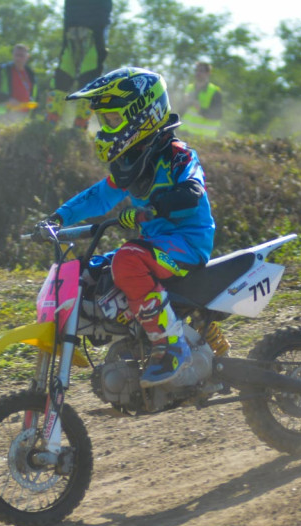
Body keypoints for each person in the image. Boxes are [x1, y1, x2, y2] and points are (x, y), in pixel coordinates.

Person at [38, 67, 216, 387]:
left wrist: (152, 208)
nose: (104, 128)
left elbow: (193, 191)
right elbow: (99, 196)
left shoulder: (178, 156)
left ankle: (170, 346)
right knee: (89, 271)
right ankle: (129, 343)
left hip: (188, 243)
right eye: (103, 121)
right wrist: (58, 217)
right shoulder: (131, 162)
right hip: (155, 245)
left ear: (141, 115)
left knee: (127, 259)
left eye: (110, 120)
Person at [45, 0, 113, 129]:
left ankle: (78, 122)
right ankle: (55, 119)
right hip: (82, 22)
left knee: (86, 73)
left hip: (87, 23)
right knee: (68, 71)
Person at [0, 44, 37, 121]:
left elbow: (34, 95)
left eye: (21, 55)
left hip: (24, 117)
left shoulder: (31, 74)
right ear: (12, 55)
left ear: (27, 57)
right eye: (16, 55)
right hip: (2, 116)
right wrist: (7, 99)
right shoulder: (3, 70)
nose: (18, 58)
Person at [179, 61, 222, 138]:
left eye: (201, 71)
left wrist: (199, 109)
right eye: (196, 70)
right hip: (186, 134)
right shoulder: (188, 88)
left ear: (208, 73)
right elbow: (180, 112)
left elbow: (217, 115)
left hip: (205, 137)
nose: (198, 73)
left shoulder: (215, 92)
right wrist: (184, 103)